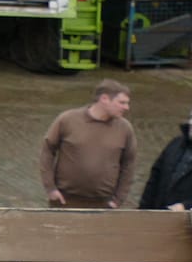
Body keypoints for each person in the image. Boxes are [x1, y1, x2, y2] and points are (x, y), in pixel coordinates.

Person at [39, 80, 136, 209]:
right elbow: (47, 151)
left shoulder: (125, 129)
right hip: (65, 201)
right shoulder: (67, 120)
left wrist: (118, 200)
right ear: (104, 99)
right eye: (122, 103)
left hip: (104, 204)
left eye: (127, 103)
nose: (126, 107)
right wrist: (50, 188)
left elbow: (129, 164)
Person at [139, 106, 192, 211]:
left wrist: (186, 206)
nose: (190, 123)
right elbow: (155, 177)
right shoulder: (175, 144)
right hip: (160, 214)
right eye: (190, 117)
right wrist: (143, 209)